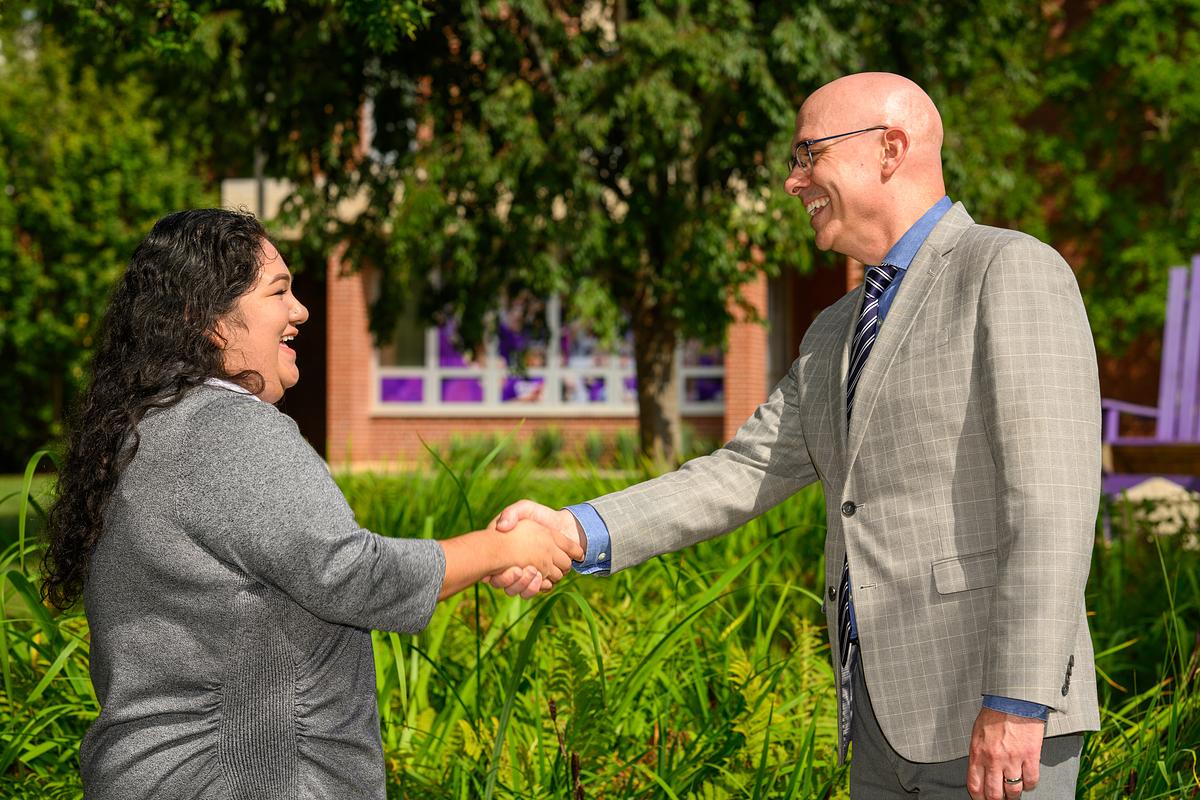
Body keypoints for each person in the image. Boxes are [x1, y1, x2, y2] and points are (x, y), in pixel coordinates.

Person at [491, 72, 1100, 799]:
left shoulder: (1008, 269)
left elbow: (1054, 506)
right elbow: (737, 472)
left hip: (991, 716)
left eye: (809, 154)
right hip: (876, 721)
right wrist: (571, 529)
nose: (792, 181)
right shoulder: (834, 329)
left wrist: (1018, 700)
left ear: (891, 148)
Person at [41, 209, 582, 798]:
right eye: (279, 292)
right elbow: (353, 574)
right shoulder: (232, 430)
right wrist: (502, 546)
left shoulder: (144, 432)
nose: (300, 310)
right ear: (213, 323)